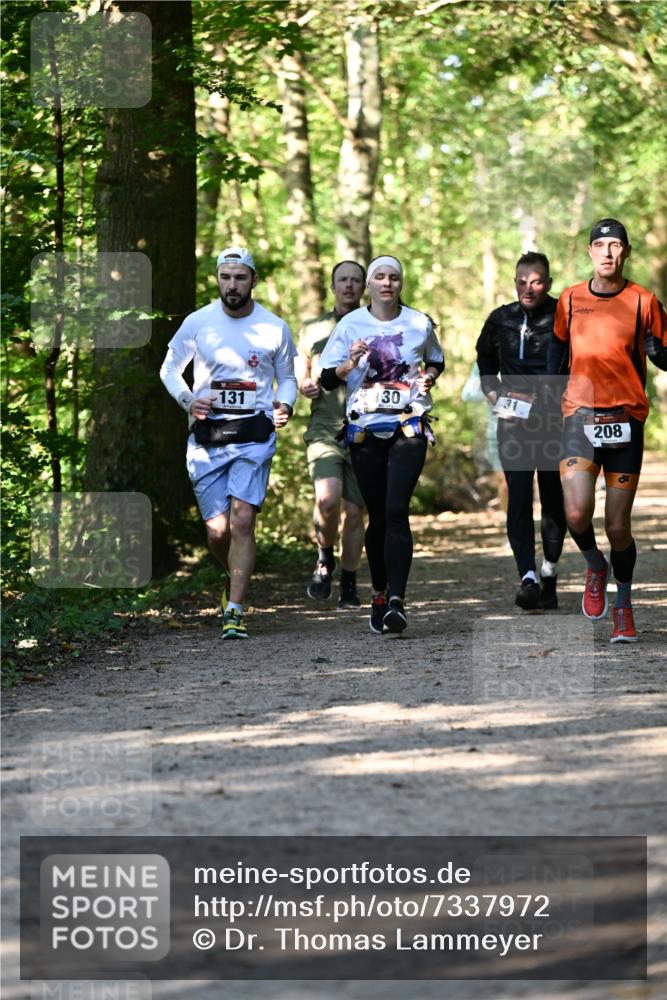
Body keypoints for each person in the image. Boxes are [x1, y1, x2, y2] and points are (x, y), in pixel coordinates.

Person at [160, 246, 297, 640]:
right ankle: (232, 577)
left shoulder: (274, 327)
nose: (232, 284)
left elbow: (286, 376)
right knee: (217, 531)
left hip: (253, 434)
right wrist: (190, 399)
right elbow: (169, 369)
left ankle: (235, 610)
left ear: (253, 280)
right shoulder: (198, 322)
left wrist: (284, 402)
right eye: (226, 277)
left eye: (240, 277)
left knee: (242, 520)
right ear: (217, 279)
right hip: (208, 436)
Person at [549, 218, 667, 642]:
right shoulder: (569, 299)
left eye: (616, 245)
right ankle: (595, 564)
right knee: (577, 513)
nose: (608, 252)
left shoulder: (643, 301)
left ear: (626, 252)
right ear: (589, 252)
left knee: (619, 526)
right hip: (579, 417)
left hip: (626, 420)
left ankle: (624, 605)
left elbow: (665, 353)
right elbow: (557, 352)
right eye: (600, 245)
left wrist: (659, 351)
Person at [319, 255, 444, 635]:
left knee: (395, 510)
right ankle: (378, 591)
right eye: (380, 277)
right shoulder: (350, 325)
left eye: (393, 277)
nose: (387, 283)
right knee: (376, 513)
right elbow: (327, 379)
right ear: (369, 285)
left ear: (401, 283)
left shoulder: (419, 322)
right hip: (364, 430)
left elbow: (437, 360)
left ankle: (397, 601)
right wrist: (349, 365)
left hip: (409, 425)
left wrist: (429, 379)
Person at [476, 252, 567, 610]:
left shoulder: (565, 314)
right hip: (513, 420)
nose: (528, 288)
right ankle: (527, 576)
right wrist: (492, 391)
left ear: (548, 283)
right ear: (514, 283)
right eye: (521, 281)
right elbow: (484, 360)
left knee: (552, 499)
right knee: (517, 495)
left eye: (536, 281)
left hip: (553, 421)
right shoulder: (501, 319)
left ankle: (549, 572)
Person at [296, 261, 366, 607]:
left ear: (364, 286)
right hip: (325, 429)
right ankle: (325, 558)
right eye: (343, 280)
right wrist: (303, 384)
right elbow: (301, 367)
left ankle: (350, 581)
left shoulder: (374, 325)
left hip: (366, 430)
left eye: (355, 280)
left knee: (355, 512)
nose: (349, 286)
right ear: (333, 286)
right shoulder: (313, 328)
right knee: (327, 499)